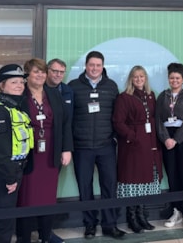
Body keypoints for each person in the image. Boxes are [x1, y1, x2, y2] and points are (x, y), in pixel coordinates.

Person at [69, 51, 126, 239]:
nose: (94, 68)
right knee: (85, 187)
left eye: (98, 65)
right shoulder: (73, 86)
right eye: (91, 65)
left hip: (106, 146)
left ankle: (110, 224)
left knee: (109, 186)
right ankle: (90, 224)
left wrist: (115, 138)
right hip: (82, 147)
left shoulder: (111, 86)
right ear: (86, 66)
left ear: (103, 66)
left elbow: (118, 116)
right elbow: (68, 119)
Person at [15, 58, 73, 243]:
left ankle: (46, 235)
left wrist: (66, 149)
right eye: (35, 72)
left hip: (51, 153)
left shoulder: (53, 94)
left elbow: (65, 123)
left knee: (48, 196)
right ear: (27, 75)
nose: (40, 75)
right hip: (29, 154)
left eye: (42, 72)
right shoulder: (20, 96)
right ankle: (24, 237)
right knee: (27, 197)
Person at [0, 64, 33, 243]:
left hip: (13, 169)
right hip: (3, 172)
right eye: (14, 82)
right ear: (2, 86)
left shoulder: (15, 108)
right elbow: (1, 150)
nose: (20, 85)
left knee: (0, 218)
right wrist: (10, 177)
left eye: (21, 82)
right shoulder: (0, 112)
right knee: (3, 223)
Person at [112, 65, 162, 234]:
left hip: (149, 145)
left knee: (146, 182)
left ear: (145, 78)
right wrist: (133, 136)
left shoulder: (151, 95)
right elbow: (118, 122)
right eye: (136, 77)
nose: (139, 79)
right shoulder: (124, 97)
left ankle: (142, 216)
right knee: (134, 181)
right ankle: (132, 218)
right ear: (131, 79)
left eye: (142, 76)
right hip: (132, 147)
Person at [156, 62, 183, 232]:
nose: (174, 80)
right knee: (172, 175)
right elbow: (158, 120)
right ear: (168, 79)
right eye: (171, 77)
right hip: (167, 139)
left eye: (177, 78)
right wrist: (166, 138)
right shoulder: (163, 96)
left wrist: (177, 139)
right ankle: (176, 211)